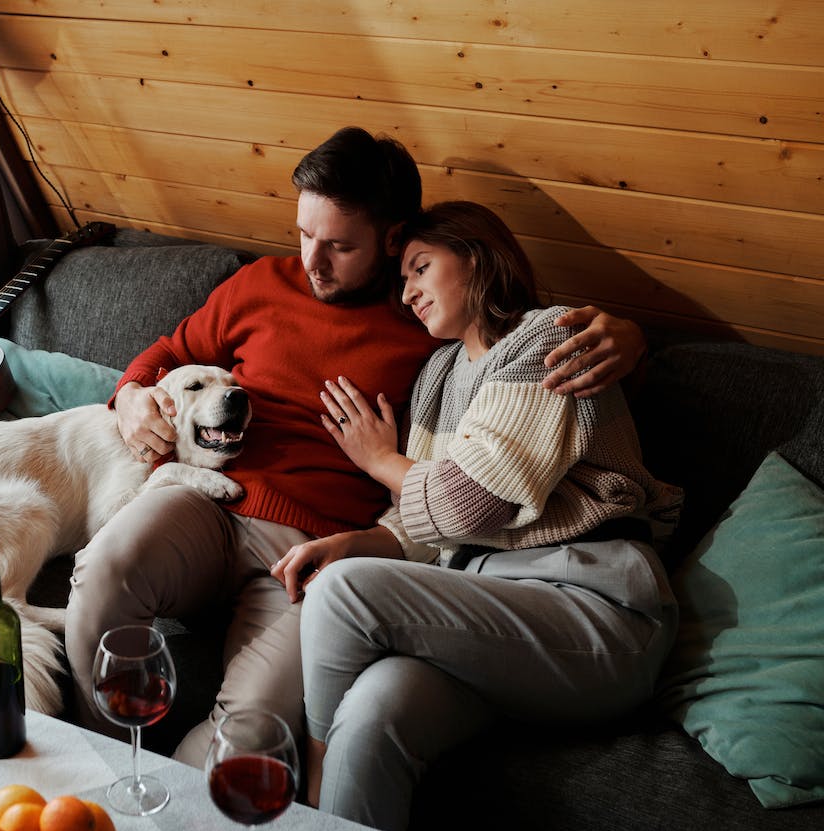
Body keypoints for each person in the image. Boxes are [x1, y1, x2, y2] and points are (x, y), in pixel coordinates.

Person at [63, 127, 647, 767]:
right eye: (305, 234)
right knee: (102, 574)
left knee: (251, 739)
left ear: (393, 238)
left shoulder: (432, 326)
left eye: (339, 246)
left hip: (319, 552)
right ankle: (109, 768)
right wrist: (129, 395)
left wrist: (628, 335)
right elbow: (170, 353)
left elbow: (516, 353)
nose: (312, 261)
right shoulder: (260, 284)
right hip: (208, 504)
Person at [270, 200, 683, 831]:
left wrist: (382, 459)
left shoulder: (545, 338)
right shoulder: (438, 374)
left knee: (342, 592)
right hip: (489, 610)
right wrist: (368, 537)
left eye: (420, 268)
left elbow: (469, 502)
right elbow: (432, 521)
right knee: (375, 712)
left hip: (596, 608)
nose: (407, 293)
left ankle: (307, 817)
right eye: (402, 278)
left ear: (477, 259)